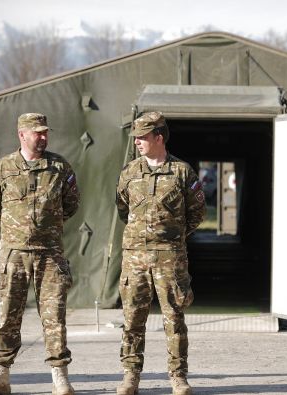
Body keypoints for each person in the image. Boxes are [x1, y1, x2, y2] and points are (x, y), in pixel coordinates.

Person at [0, 113, 80, 395]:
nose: (43, 137)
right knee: (8, 316)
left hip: (50, 255)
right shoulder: (4, 168)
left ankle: (60, 378)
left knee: (54, 318)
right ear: (22, 135)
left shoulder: (59, 168)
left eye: (46, 132)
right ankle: (0, 377)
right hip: (14, 256)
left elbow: (71, 204)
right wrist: (14, 229)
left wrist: (46, 227)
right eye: (37, 133)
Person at [115, 111, 206, 395]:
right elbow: (122, 209)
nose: (138, 142)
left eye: (143, 137)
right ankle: (130, 376)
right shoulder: (129, 172)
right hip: (135, 258)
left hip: (170, 259)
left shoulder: (182, 172)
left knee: (174, 318)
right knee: (132, 319)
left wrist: (172, 238)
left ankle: (178, 377)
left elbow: (197, 213)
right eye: (136, 138)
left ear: (159, 137)